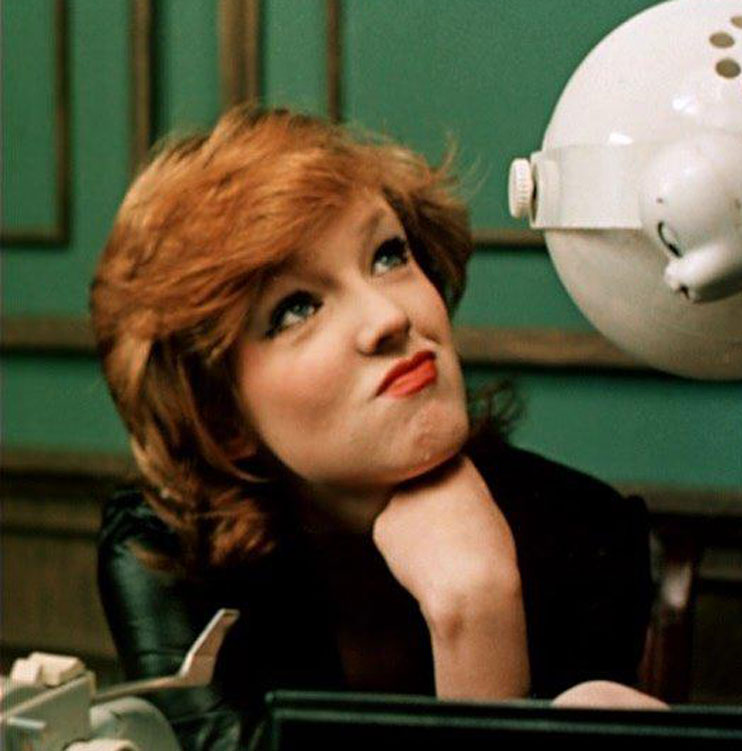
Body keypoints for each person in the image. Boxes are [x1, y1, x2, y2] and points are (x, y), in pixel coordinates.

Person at [91, 106, 656, 750]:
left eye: (388, 256)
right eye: (296, 309)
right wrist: (471, 609)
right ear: (223, 420)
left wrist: (478, 609)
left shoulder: (588, 533)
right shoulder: (167, 552)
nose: (389, 316)